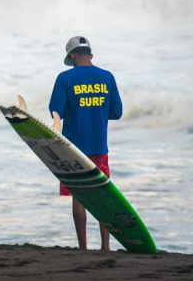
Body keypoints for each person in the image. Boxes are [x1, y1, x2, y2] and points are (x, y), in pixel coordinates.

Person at [49, 36, 123, 251]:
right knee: (103, 197)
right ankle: (106, 247)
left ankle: (83, 247)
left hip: (73, 150)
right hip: (99, 147)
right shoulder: (107, 77)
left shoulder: (64, 79)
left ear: (72, 56)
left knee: (79, 197)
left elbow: (56, 113)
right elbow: (116, 113)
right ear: (90, 55)